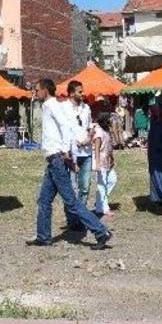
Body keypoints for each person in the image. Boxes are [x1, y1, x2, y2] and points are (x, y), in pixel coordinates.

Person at [27, 78, 111, 250]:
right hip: (53, 159)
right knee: (44, 200)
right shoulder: (51, 106)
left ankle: (101, 231)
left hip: (57, 158)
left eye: (37, 90)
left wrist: (65, 151)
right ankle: (43, 236)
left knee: (71, 201)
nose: (35, 93)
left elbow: (66, 127)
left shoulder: (52, 105)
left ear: (45, 90)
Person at [62, 80, 93, 230]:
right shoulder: (63, 108)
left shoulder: (86, 108)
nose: (83, 94)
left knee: (85, 187)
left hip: (86, 153)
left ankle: (80, 218)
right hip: (71, 154)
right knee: (71, 189)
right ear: (71, 93)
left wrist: (90, 136)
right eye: (80, 91)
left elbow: (89, 127)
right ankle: (71, 219)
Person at [92, 113, 116, 219]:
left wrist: (112, 158)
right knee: (101, 184)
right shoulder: (99, 133)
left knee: (112, 180)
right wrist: (97, 163)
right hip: (101, 161)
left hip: (108, 161)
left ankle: (100, 202)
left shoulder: (107, 132)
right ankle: (103, 208)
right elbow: (96, 149)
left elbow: (109, 147)